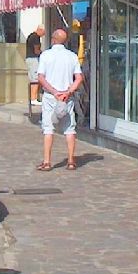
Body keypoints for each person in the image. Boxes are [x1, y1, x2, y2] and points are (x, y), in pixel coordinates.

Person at [36, 27, 83, 171]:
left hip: (51, 97)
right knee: (70, 129)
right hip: (66, 98)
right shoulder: (72, 56)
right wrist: (68, 91)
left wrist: (54, 92)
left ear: (53, 39)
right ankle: (70, 161)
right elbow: (79, 78)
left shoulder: (46, 55)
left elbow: (41, 78)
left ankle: (47, 161)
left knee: (48, 129)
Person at [24, 24, 45, 104]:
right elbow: (37, 50)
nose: (44, 35)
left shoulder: (31, 36)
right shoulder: (35, 37)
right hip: (33, 59)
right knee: (35, 79)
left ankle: (33, 98)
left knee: (32, 79)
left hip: (30, 59)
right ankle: (33, 99)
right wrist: (44, 54)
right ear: (40, 30)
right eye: (43, 33)